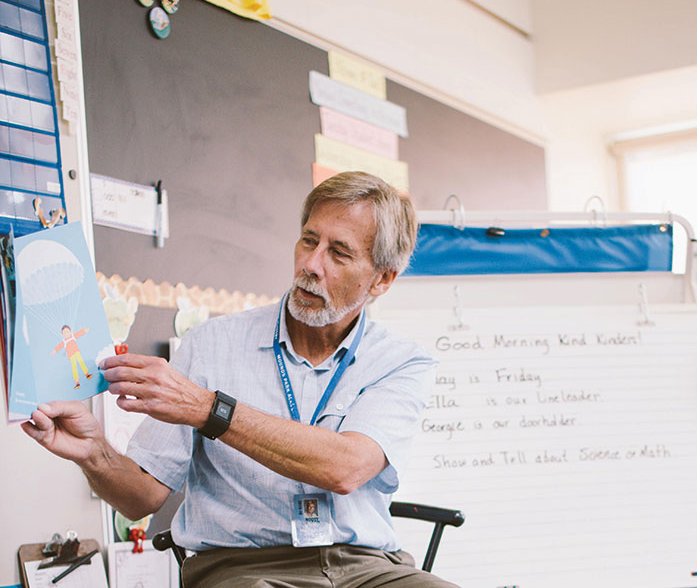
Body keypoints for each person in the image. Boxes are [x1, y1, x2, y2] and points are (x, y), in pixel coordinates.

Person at [23, 171, 459, 588]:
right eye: (309, 240)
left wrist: (207, 408)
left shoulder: (402, 362)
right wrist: (93, 452)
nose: (311, 264)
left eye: (339, 253)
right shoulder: (211, 344)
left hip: (366, 568)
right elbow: (141, 498)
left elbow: (344, 467)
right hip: (242, 568)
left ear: (382, 279)